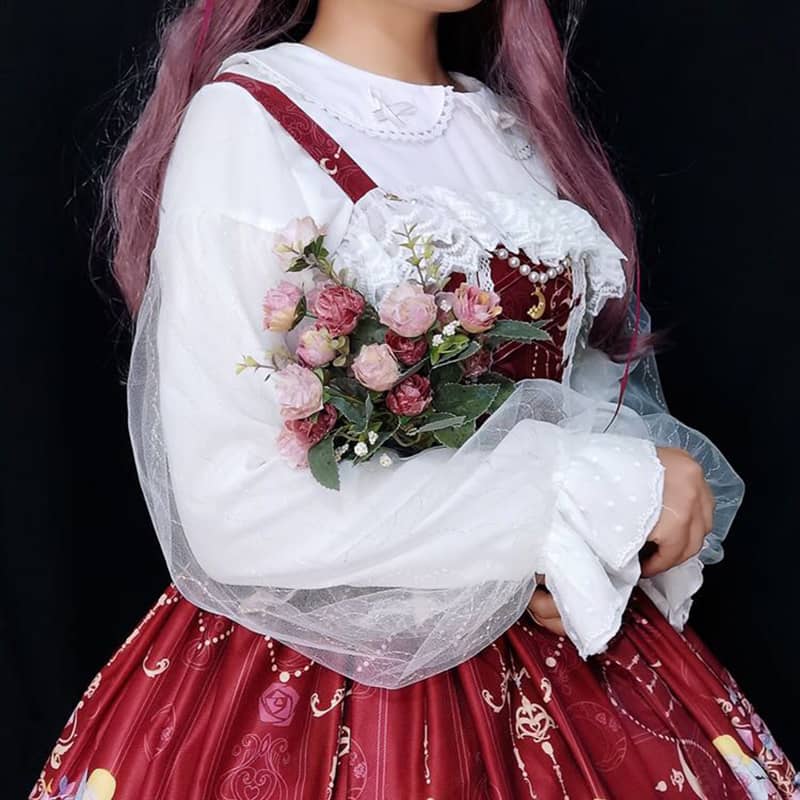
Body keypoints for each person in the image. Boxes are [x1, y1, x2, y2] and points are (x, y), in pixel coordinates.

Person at [29, 1, 798, 798]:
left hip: (564, 660)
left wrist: (628, 511)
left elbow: (581, 393)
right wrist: (570, 500)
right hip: (329, 685)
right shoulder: (251, 121)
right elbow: (233, 506)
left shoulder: (511, 130)